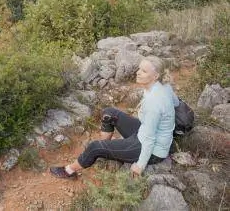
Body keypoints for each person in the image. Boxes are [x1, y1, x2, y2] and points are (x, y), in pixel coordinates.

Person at [50, 57, 179, 179]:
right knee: (109, 113)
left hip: (152, 150)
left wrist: (140, 165)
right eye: (139, 69)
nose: (138, 73)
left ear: (155, 76)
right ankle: (105, 148)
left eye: (144, 71)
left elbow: (149, 140)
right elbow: (176, 103)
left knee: (94, 147)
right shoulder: (164, 86)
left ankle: (69, 170)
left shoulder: (154, 102)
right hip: (143, 132)